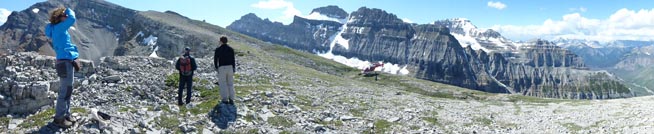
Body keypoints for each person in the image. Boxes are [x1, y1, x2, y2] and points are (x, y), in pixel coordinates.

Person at [45, 7, 80, 128]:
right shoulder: (59, 28)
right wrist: (68, 9)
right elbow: (72, 18)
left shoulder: (56, 29)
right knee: (65, 91)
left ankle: (66, 114)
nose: (66, 16)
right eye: (64, 15)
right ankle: (59, 119)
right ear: (60, 17)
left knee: (68, 90)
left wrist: (73, 57)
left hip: (65, 61)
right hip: (65, 63)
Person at [214, 36, 236, 105]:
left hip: (222, 67)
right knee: (230, 83)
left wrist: (216, 67)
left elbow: (215, 60)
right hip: (230, 67)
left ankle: (225, 99)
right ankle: (232, 98)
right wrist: (233, 68)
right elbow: (233, 59)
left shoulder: (218, 49)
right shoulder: (231, 49)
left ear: (221, 41)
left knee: (223, 84)